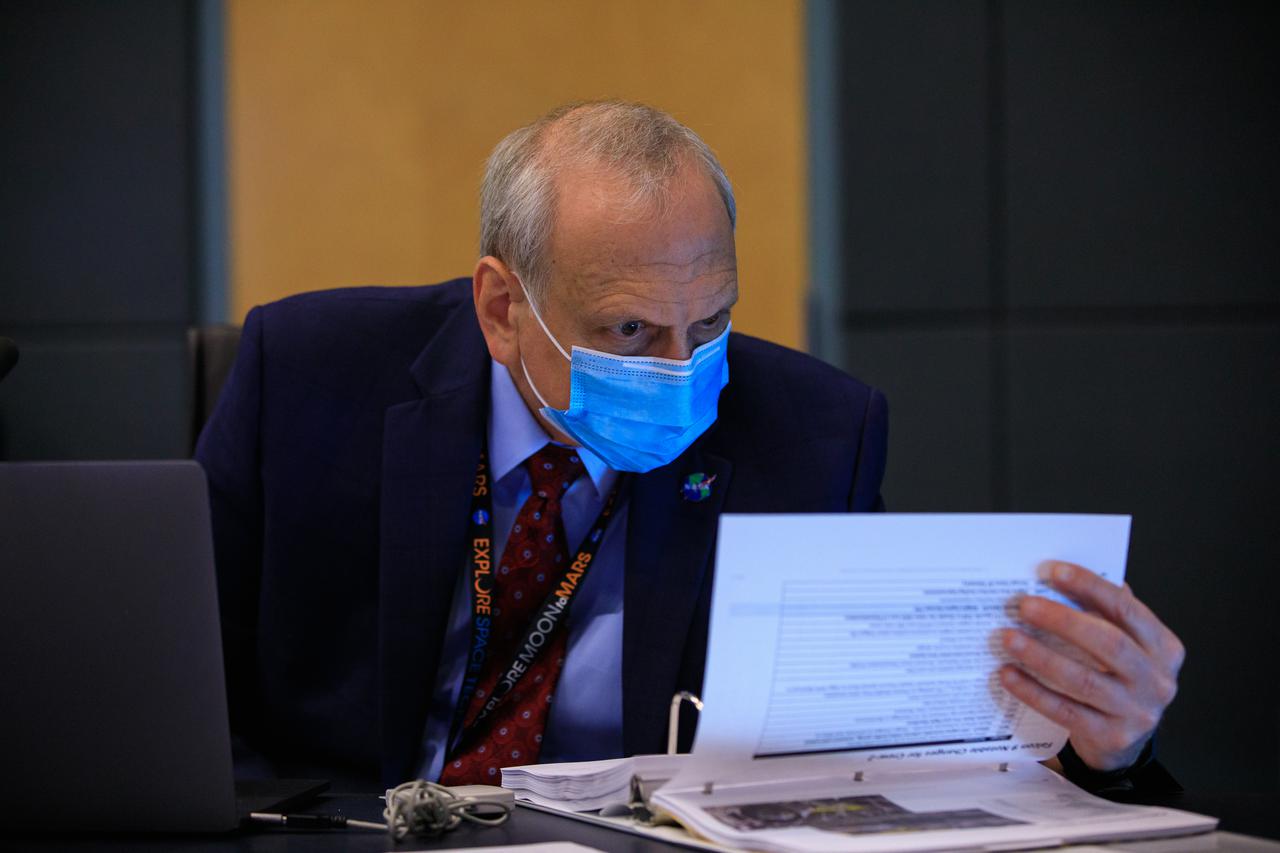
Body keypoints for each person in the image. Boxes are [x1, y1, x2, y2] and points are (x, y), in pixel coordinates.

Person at [195, 100, 1184, 791]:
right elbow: (179, 696)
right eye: (630, 331)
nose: (681, 371)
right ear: (501, 308)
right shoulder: (309, 375)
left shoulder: (811, 434)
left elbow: (891, 760)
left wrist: (1102, 748)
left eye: (708, 323)